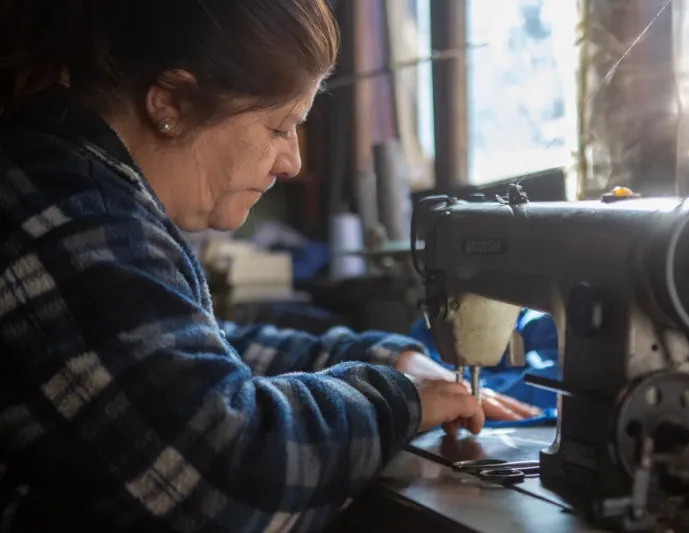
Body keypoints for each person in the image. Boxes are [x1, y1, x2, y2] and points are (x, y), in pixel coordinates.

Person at [0, 1, 539, 532]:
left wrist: (385, 358)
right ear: (172, 102)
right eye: (281, 127)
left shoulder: (72, 189)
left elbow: (193, 354)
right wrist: (396, 400)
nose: (293, 161)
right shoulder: (69, 219)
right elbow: (231, 477)